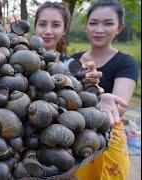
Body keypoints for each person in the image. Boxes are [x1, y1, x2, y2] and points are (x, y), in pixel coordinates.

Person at [73, 1, 139, 179]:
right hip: (75, 139)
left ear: (119, 27)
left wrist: (98, 94)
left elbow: (119, 107)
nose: (99, 29)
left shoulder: (126, 62)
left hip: (107, 142)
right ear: (86, 26)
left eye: (108, 23)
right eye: (93, 23)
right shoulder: (74, 60)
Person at [33, 1, 103, 90]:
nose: (48, 31)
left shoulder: (71, 66)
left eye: (56, 25)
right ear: (35, 27)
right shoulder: (16, 53)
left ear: (64, 30)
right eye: (42, 24)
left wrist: (90, 85)